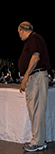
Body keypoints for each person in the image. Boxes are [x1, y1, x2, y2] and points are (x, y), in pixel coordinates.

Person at [18, 22, 50, 152]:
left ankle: (37, 142)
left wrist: (25, 78)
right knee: (36, 110)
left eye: (19, 32)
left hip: (36, 77)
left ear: (22, 30)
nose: (19, 35)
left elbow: (35, 57)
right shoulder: (33, 39)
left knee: (36, 110)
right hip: (36, 77)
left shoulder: (34, 38)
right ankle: (39, 140)